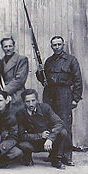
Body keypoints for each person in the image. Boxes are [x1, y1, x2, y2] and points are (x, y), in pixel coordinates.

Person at [37, 36, 83, 166]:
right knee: (51, 123)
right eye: (54, 45)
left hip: (64, 94)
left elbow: (78, 80)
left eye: (59, 44)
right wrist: (39, 72)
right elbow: (43, 80)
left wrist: (75, 98)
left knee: (65, 125)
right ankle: (53, 154)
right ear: (51, 46)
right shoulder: (49, 61)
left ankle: (67, 156)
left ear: (63, 45)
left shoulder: (71, 60)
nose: (56, 47)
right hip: (50, 93)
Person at [16, 89, 68, 169]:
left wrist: (50, 138)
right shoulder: (20, 113)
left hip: (47, 141)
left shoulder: (45, 108)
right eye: (27, 101)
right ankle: (27, 157)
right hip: (33, 142)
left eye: (33, 100)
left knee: (63, 132)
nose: (31, 104)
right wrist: (40, 135)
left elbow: (59, 123)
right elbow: (21, 135)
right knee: (23, 144)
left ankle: (56, 158)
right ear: (23, 102)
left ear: (37, 100)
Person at [0, 36, 29, 115]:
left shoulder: (21, 59)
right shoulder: (0, 61)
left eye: (10, 46)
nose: (8, 48)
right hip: (4, 94)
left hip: (17, 94)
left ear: (14, 46)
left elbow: (19, 80)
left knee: (18, 117)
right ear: (2, 48)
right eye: (5, 46)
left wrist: (4, 91)